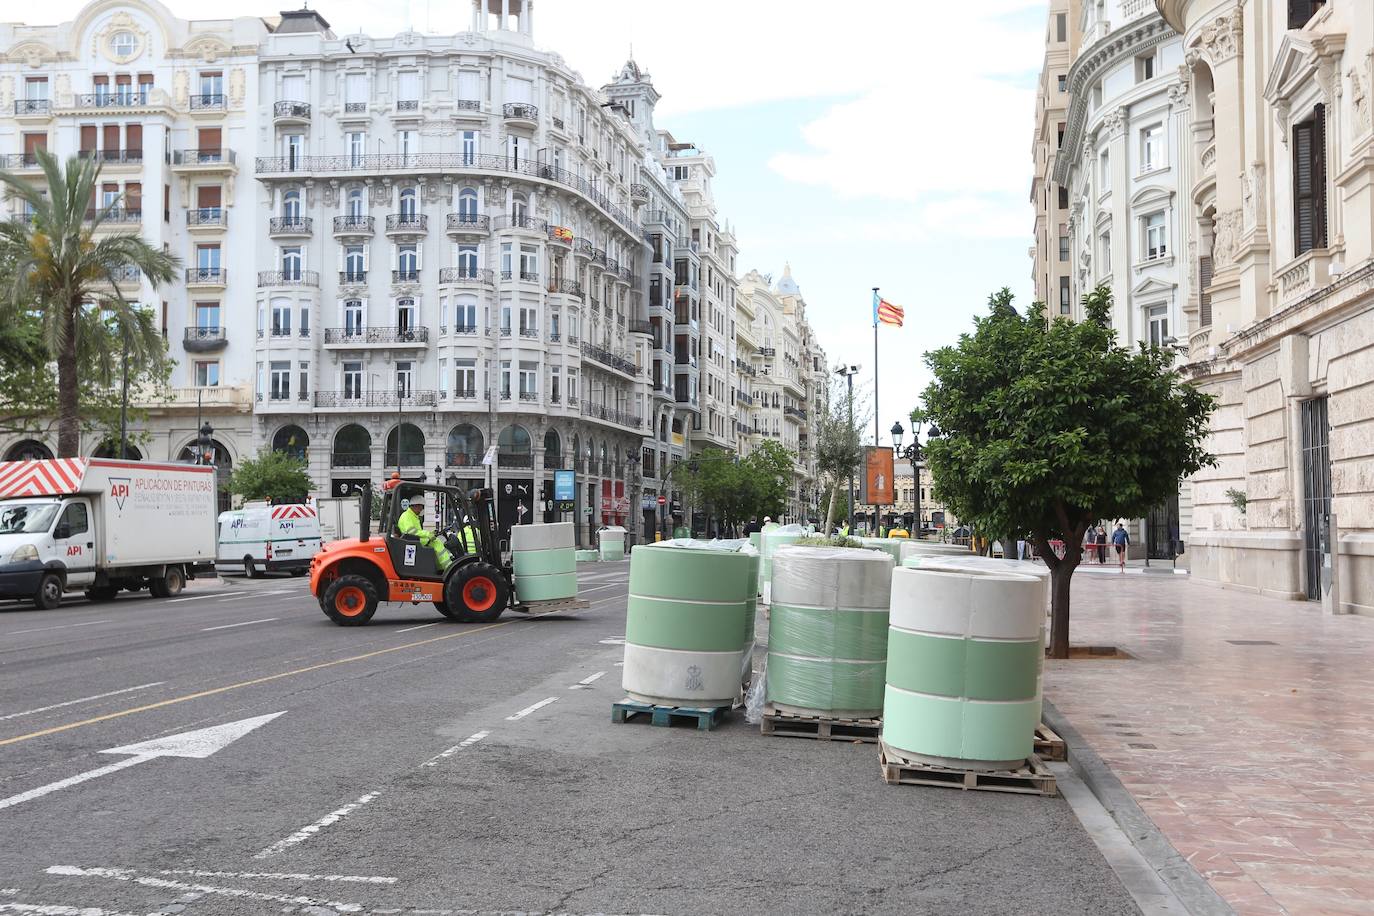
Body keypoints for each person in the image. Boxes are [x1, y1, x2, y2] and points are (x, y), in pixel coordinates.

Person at [397, 494, 453, 574]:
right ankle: (449, 567)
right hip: (411, 541)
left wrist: (430, 534)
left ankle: (440, 569)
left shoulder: (412, 516)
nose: (421, 509)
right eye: (421, 507)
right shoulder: (407, 516)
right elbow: (410, 531)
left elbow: (418, 531)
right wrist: (428, 535)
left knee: (435, 542)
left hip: (413, 539)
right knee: (437, 542)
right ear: (415, 505)